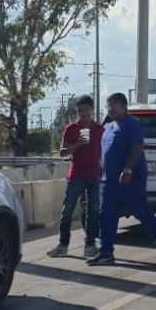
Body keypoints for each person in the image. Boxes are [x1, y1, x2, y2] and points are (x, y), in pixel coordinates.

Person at [88, 93, 156, 266]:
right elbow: (104, 152)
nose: (110, 108)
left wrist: (128, 169)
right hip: (108, 181)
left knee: (141, 212)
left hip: (130, 179)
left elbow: (138, 146)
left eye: (114, 104)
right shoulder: (108, 128)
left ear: (124, 107)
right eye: (108, 105)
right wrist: (99, 171)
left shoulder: (132, 124)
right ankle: (106, 252)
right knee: (106, 215)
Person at [48, 96, 102, 259]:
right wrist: (78, 144)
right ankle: (63, 245)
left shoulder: (99, 129)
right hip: (76, 174)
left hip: (94, 175)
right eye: (80, 111)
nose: (83, 113)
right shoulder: (71, 129)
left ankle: (90, 245)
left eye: (86, 110)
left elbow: (105, 151)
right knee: (67, 210)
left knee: (93, 211)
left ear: (92, 110)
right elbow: (62, 153)